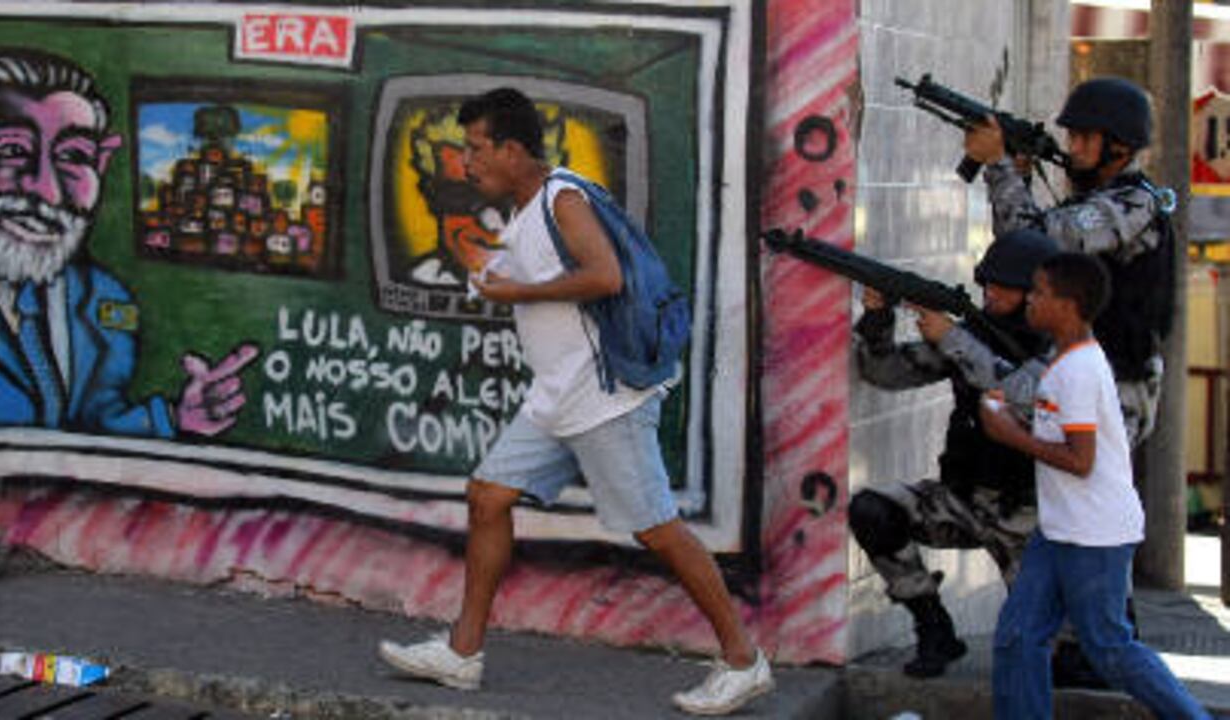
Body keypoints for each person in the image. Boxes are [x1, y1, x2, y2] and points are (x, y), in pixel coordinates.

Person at [378, 87, 773, 716]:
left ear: (511, 148)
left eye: (477, 149)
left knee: (658, 531)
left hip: (603, 397)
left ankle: (743, 661)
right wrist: (496, 273)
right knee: (488, 496)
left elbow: (606, 275)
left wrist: (517, 294)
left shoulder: (563, 196)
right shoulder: (524, 208)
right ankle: (462, 652)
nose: (468, 162)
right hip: (557, 397)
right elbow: (540, 277)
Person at [0, 49, 256, 437]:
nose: (47, 191)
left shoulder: (105, 300)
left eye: (74, 156)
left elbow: (96, 428)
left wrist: (176, 419)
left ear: (102, 164)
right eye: (13, 150)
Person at [979, 252, 1210, 720]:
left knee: (1108, 647)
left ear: (1068, 305)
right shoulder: (1065, 362)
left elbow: (1080, 461)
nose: (1030, 300)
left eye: (1040, 292)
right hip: (1061, 529)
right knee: (1019, 637)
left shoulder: (1078, 370)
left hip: (1094, 536)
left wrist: (1010, 434)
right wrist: (1013, 412)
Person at [849, 229, 1057, 678]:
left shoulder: (1061, 348)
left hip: (1028, 515)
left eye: (1004, 286)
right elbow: (884, 373)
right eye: (987, 284)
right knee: (873, 510)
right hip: (961, 500)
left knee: (1053, 651)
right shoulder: (975, 334)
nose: (991, 294)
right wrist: (877, 320)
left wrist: (955, 340)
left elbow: (1022, 394)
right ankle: (933, 626)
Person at [965, 77, 1173, 450]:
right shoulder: (1101, 198)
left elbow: (1036, 240)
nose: (1072, 147)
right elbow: (1025, 245)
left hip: (1116, 383)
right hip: (1079, 372)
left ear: (1119, 146)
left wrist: (999, 166)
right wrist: (1019, 173)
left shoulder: (1132, 204)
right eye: (1072, 136)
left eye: (1084, 138)